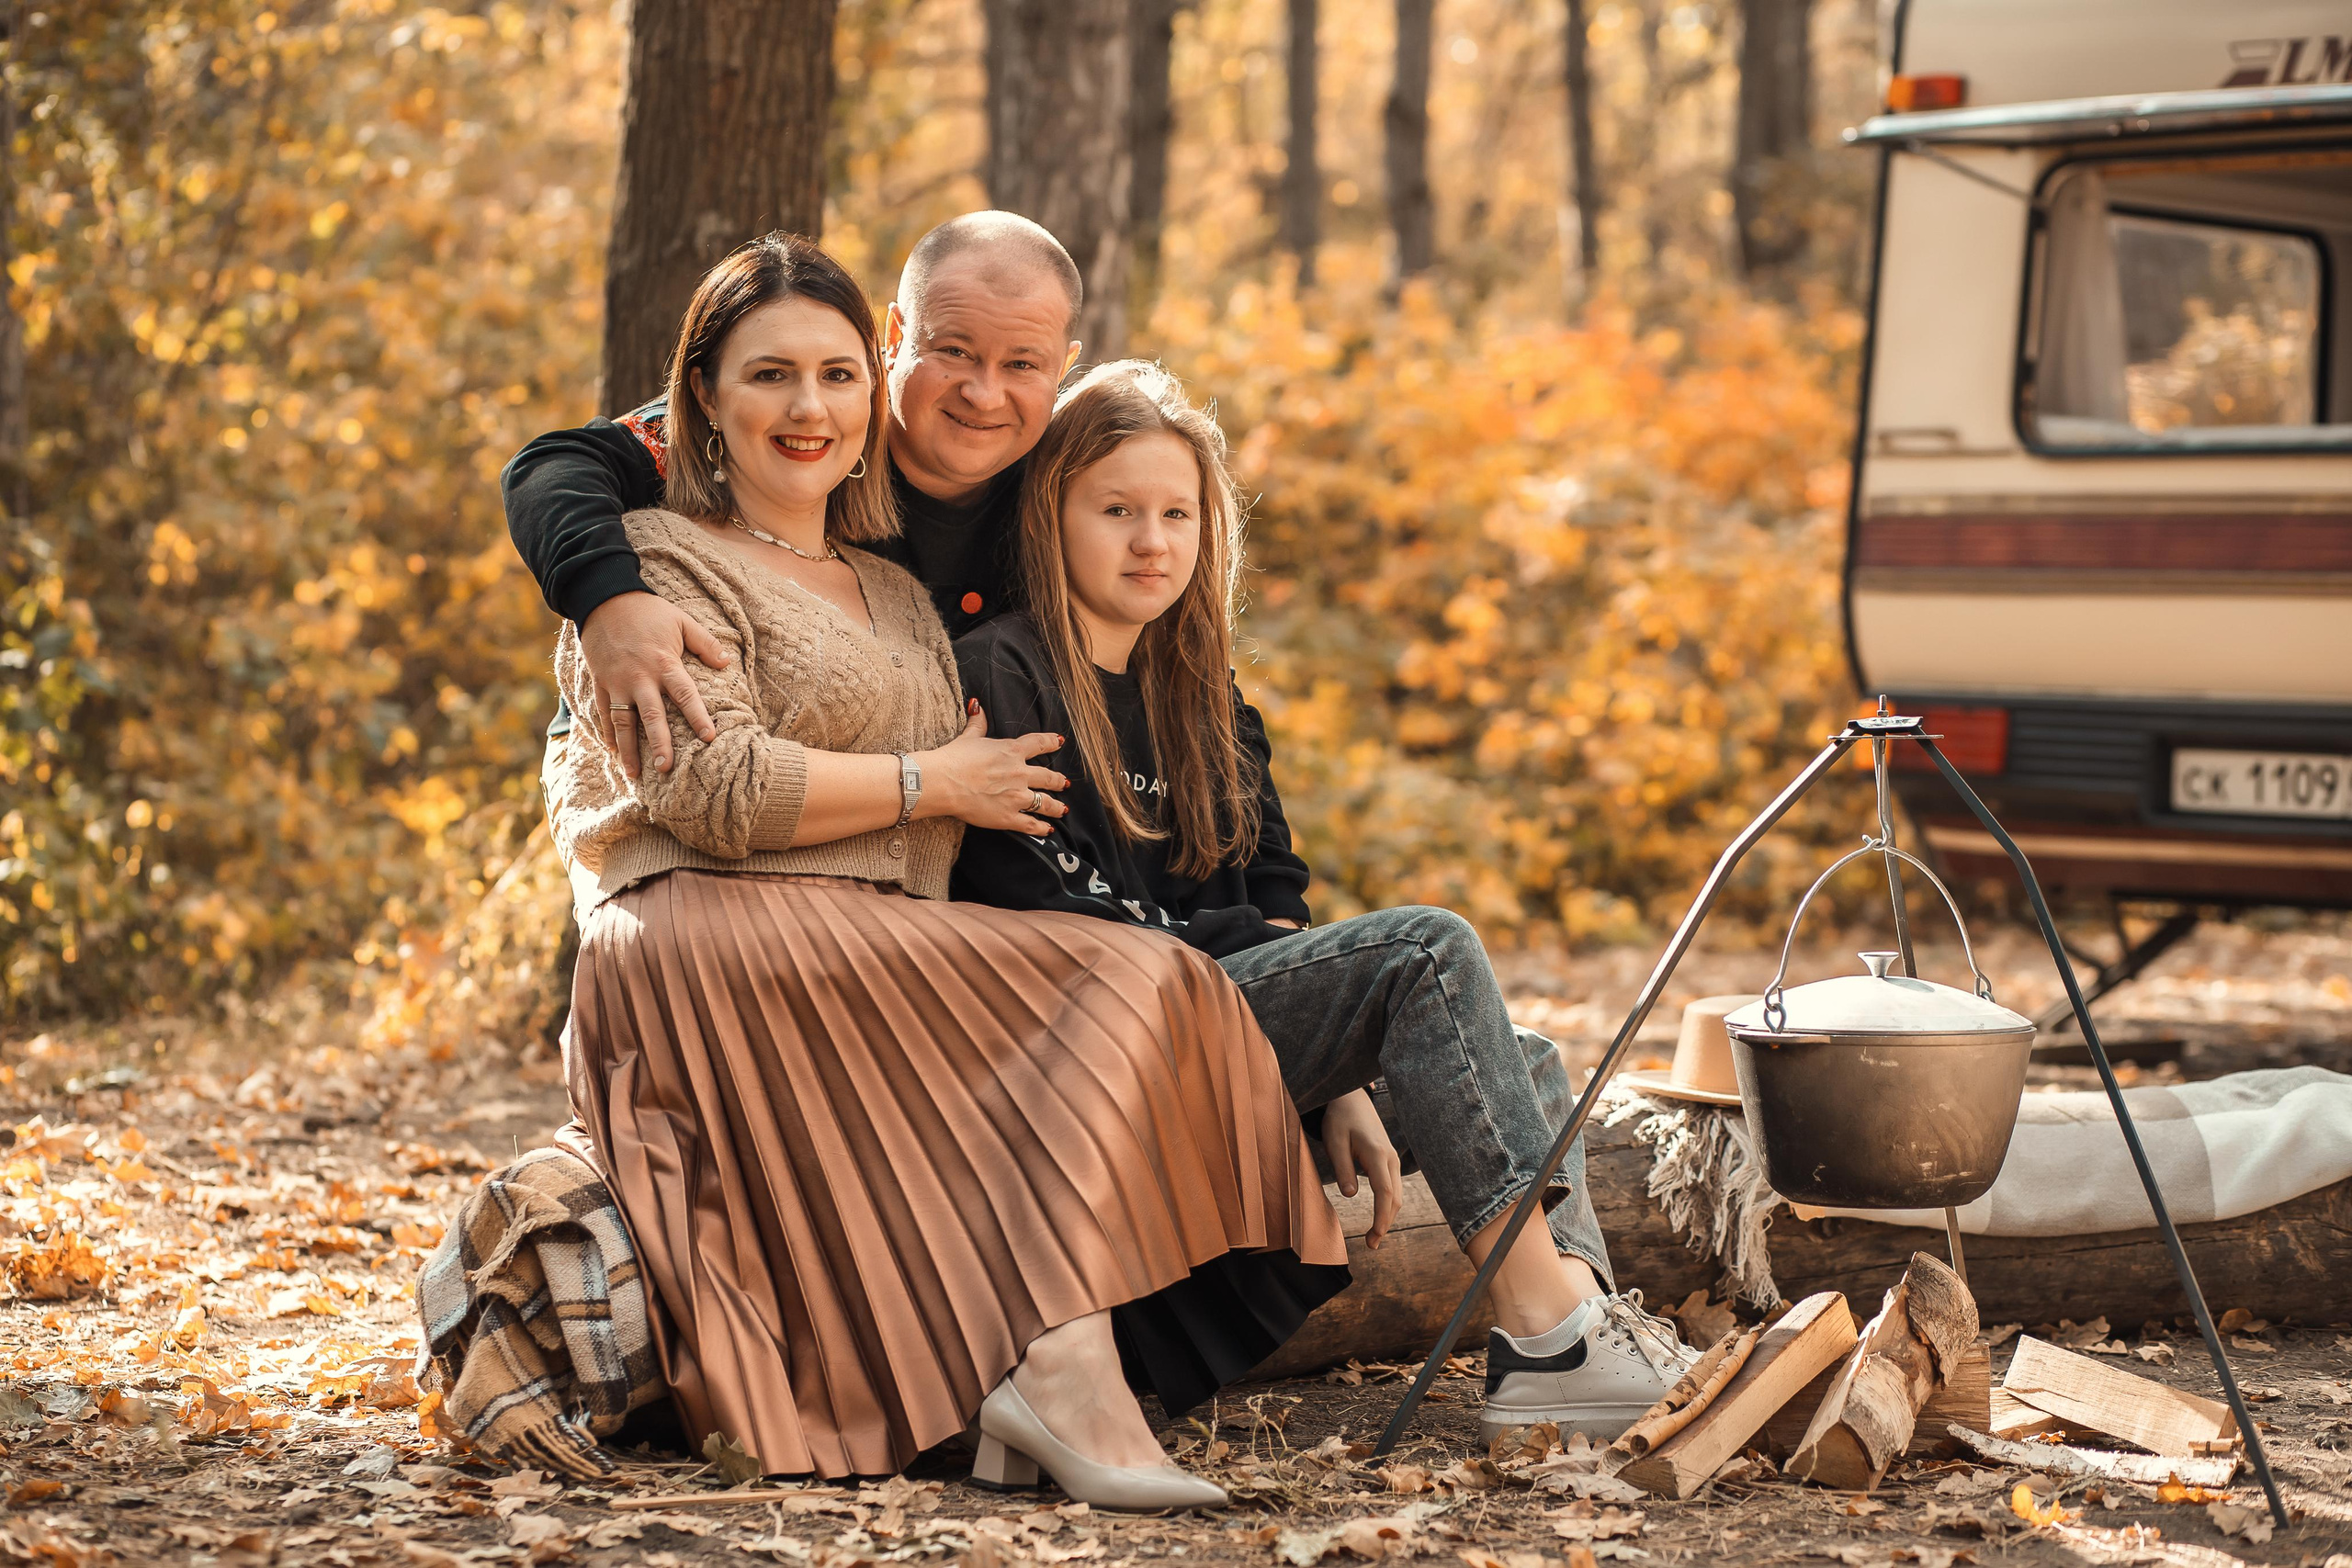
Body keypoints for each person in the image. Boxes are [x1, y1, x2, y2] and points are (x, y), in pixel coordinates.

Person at [548, 234, 1347, 1506]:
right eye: (769, 379)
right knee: (1115, 974)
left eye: (830, 378)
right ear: (701, 396)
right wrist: (932, 784)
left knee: (1146, 974)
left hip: (873, 926)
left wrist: (1316, 1014)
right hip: (708, 923)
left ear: (870, 385)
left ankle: (1065, 1362)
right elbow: (712, 789)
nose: (807, 409)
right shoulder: (654, 559)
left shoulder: (897, 586)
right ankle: (1066, 1372)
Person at [951, 362, 1702, 1443]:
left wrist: (1340, 1069)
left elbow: (1273, 892)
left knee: (1527, 1063)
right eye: (1114, 511)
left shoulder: (1205, 698)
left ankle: (1564, 1341)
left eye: (1176, 514)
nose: (1150, 541)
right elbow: (1056, 911)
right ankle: (1559, 1335)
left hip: (1220, 1033)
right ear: (1049, 514)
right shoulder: (1003, 672)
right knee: (1424, 955)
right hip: (1100, 1055)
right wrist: (1338, 1028)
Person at [507, 210, 1080, 779]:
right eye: (954, 351)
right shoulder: (803, 432)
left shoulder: (1072, 485)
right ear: (895, 336)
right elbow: (556, 466)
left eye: (1023, 364)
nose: (984, 394)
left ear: (1065, 366)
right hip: (671, 768)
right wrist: (609, 601)